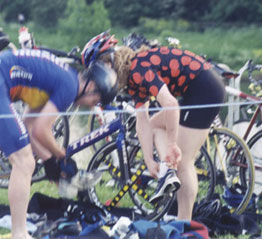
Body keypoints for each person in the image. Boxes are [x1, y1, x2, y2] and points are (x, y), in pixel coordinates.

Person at [81, 32, 226, 220]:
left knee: (184, 162)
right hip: (198, 89)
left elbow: (171, 104)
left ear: (108, 65)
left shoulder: (138, 69)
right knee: (155, 125)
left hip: (206, 90)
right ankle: (168, 172)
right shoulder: (131, 78)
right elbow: (143, 122)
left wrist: (172, 144)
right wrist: (149, 160)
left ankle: (184, 222)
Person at [0, 48, 117, 239]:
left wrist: (48, 160)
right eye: (96, 100)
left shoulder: (63, 77)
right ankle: (19, 233)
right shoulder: (69, 86)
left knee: (25, 159)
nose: (92, 105)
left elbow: (30, 126)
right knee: (24, 163)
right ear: (90, 86)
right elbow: (41, 130)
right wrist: (61, 155)